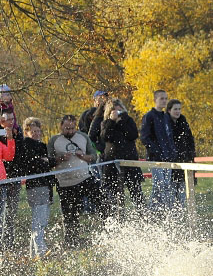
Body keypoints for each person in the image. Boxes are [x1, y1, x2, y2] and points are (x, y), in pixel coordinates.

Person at [47, 114, 104, 248]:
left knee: (102, 201)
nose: (70, 131)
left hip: (84, 178)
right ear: (61, 126)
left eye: (72, 128)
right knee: (70, 214)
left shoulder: (83, 137)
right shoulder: (54, 140)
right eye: (67, 128)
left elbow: (94, 156)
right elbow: (49, 161)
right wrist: (60, 159)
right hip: (65, 183)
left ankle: (108, 229)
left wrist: (84, 156)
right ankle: (71, 241)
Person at [99, 98, 144, 217]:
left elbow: (133, 135)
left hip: (130, 161)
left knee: (136, 192)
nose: (117, 113)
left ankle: (141, 216)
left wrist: (121, 122)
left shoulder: (128, 121)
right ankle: (116, 218)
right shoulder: (105, 123)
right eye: (114, 111)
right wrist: (112, 122)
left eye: (119, 111)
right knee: (114, 194)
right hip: (112, 163)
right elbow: (105, 137)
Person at [18, 118, 52, 257]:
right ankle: (40, 251)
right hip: (35, 186)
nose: (37, 133)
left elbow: (48, 162)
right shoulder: (26, 144)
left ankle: (34, 253)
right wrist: (43, 161)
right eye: (33, 131)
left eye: (38, 131)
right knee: (39, 220)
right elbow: (32, 163)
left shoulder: (42, 145)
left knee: (43, 219)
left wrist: (47, 161)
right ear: (26, 132)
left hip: (46, 185)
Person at [140, 89, 178, 212]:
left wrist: (172, 152)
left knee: (166, 185)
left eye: (166, 98)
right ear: (155, 100)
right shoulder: (149, 116)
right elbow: (145, 137)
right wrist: (156, 151)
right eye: (161, 98)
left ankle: (160, 210)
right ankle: (154, 210)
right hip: (156, 158)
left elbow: (169, 136)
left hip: (168, 157)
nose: (164, 101)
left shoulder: (166, 117)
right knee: (160, 186)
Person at [166, 99, 195, 206]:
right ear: (169, 110)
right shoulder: (166, 123)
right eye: (175, 109)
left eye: (179, 109)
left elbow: (190, 140)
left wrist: (191, 156)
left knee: (183, 188)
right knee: (171, 188)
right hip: (171, 160)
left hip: (184, 159)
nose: (177, 111)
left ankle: (181, 212)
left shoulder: (183, 121)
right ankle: (171, 212)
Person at [0, 109, 21, 250]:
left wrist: (10, 139)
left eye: (12, 119)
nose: (11, 122)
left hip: (2, 181)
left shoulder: (6, 137)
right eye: (8, 119)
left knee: (2, 214)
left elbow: (8, 156)